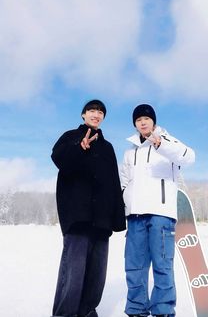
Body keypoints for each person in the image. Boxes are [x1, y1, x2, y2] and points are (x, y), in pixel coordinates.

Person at [51, 99, 126, 317]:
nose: (96, 114)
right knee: (73, 273)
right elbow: (58, 159)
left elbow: (114, 182)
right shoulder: (70, 137)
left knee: (96, 275)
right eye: (92, 110)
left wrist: (117, 218)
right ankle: (65, 313)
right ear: (83, 115)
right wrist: (79, 148)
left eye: (101, 112)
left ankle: (87, 312)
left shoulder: (108, 147)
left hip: (102, 220)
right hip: (78, 217)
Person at [120, 104, 195, 317]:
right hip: (135, 217)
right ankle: (136, 310)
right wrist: (127, 199)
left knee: (162, 266)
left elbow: (189, 157)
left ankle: (163, 311)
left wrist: (161, 143)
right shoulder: (130, 151)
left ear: (153, 121)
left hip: (161, 214)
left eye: (146, 118)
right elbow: (124, 181)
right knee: (134, 267)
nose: (142, 122)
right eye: (138, 120)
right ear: (135, 124)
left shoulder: (168, 141)